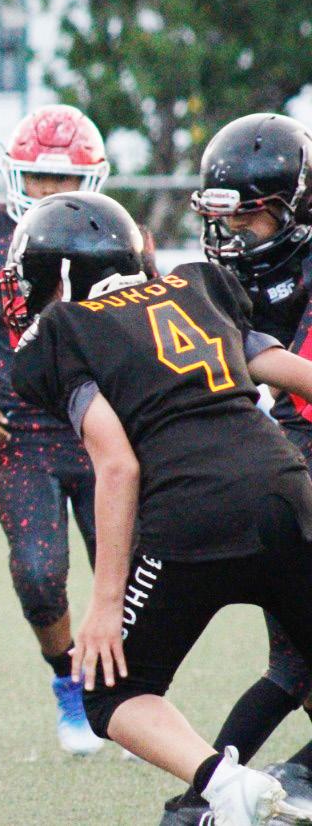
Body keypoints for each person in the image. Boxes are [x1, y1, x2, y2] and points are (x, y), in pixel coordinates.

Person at [6, 190, 312, 826]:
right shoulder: (198, 288)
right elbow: (288, 370)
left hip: (191, 515)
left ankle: (223, 787)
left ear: (62, 273)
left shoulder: (63, 332)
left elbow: (118, 465)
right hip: (287, 490)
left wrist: (104, 603)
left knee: (109, 694)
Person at [0, 103, 110, 754]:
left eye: (64, 179)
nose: (50, 190)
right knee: (38, 573)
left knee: (134, 570)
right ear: (15, 175)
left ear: (90, 181)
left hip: (104, 431)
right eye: (38, 176)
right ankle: (70, 685)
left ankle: (127, 687)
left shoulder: (115, 234)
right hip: (20, 433)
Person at [159, 113, 312, 824]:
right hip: (286, 461)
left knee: (295, 665)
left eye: (247, 216)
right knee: (295, 663)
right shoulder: (226, 280)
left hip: (288, 457)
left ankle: (210, 794)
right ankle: (216, 791)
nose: (230, 234)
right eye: (222, 217)